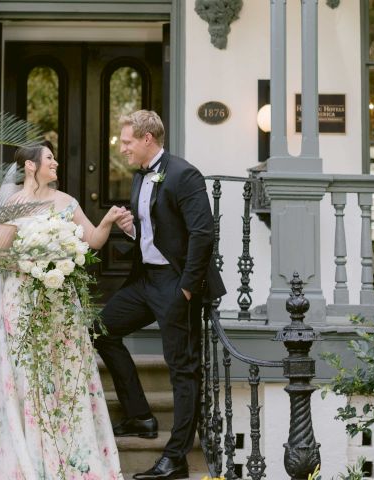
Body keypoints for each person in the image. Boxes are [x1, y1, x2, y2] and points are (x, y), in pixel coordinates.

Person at [0, 143, 125, 480]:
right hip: (23, 302)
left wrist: (107, 220)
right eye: (50, 158)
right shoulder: (12, 206)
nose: (56, 162)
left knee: (65, 376)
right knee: (29, 377)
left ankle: (72, 455)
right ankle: (31, 455)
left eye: (55, 157)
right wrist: (32, 263)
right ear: (32, 166)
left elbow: (92, 240)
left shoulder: (67, 202)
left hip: (62, 304)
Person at [95, 110, 226, 480]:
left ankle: (176, 457)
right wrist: (129, 228)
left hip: (175, 282)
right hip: (145, 281)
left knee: (183, 369)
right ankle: (140, 415)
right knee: (100, 330)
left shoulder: (184, 174)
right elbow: (152, 231)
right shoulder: (140, 176)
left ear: (147, 139)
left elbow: (203, 233)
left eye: (127, 142)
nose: (122, 148)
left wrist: (187, 286)